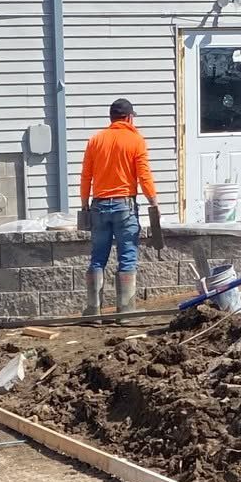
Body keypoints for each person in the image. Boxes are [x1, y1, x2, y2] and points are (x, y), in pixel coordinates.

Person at [77, 97, 164, 320]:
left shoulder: (96, 140)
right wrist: (153, 201)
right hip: (125, 206)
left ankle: (93, 310)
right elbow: (144, 175)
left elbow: (86, 175)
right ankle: (125, 310)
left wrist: (84, 203)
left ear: (112, 118)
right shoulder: (135, 140)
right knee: (127, 255)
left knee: (97, 257)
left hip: (98, 206)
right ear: (129, 118)